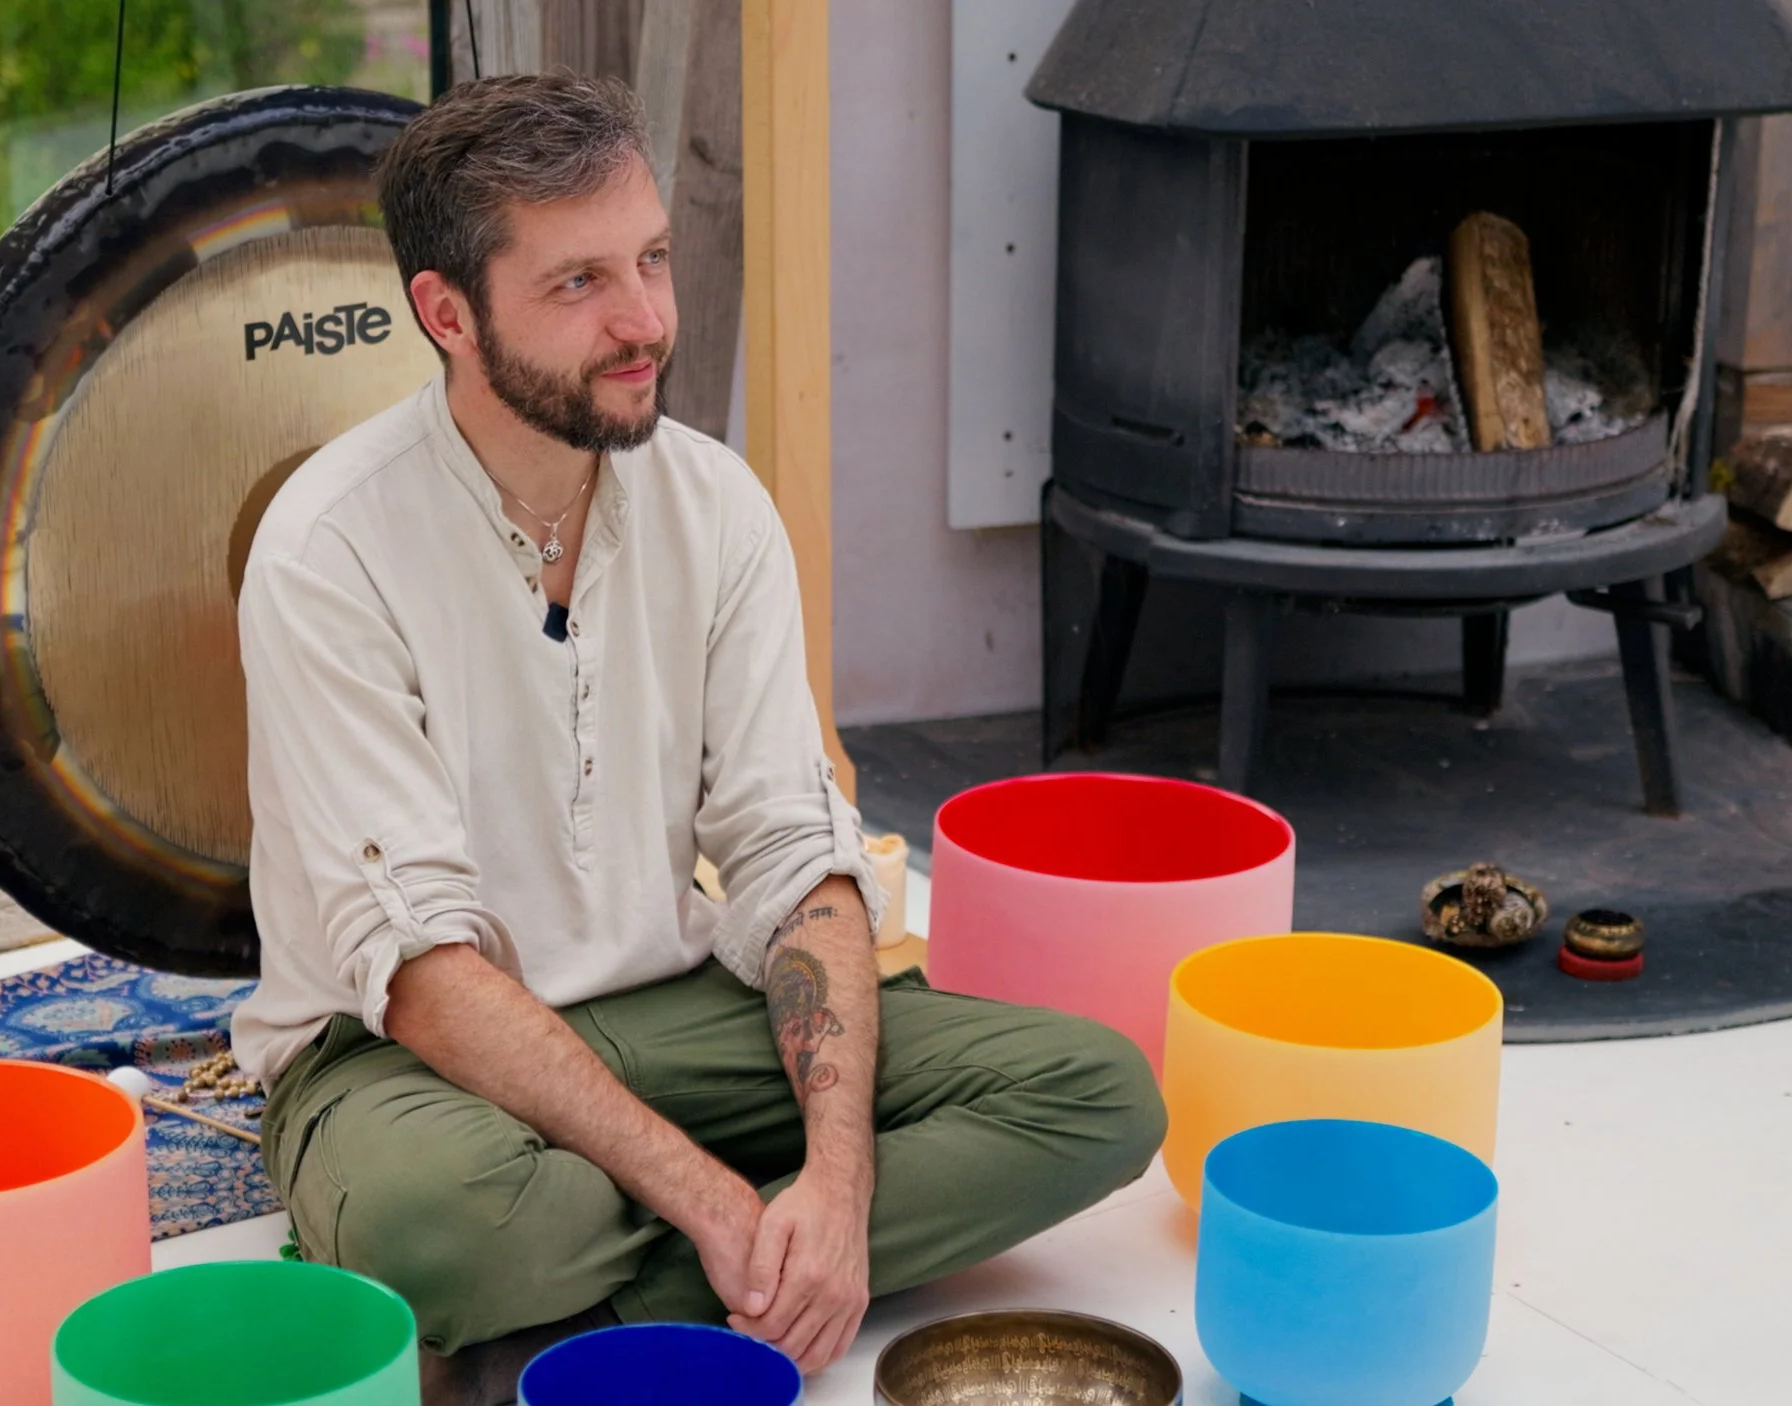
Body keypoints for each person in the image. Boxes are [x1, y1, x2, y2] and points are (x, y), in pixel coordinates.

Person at [230, 71, 1166, 1406]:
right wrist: (720, 1199)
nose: (648, 323)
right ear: (447, 311)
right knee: (446, 1221)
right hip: (400, 1055)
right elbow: (425, 975)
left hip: (670, 1009)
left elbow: (792, 851)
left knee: (1097, 1091)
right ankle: (681, 1277)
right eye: (580, 285)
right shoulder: (329, 549)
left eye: (654, 259)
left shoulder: (716, 505)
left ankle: (591, 1318)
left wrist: (836, 1184)